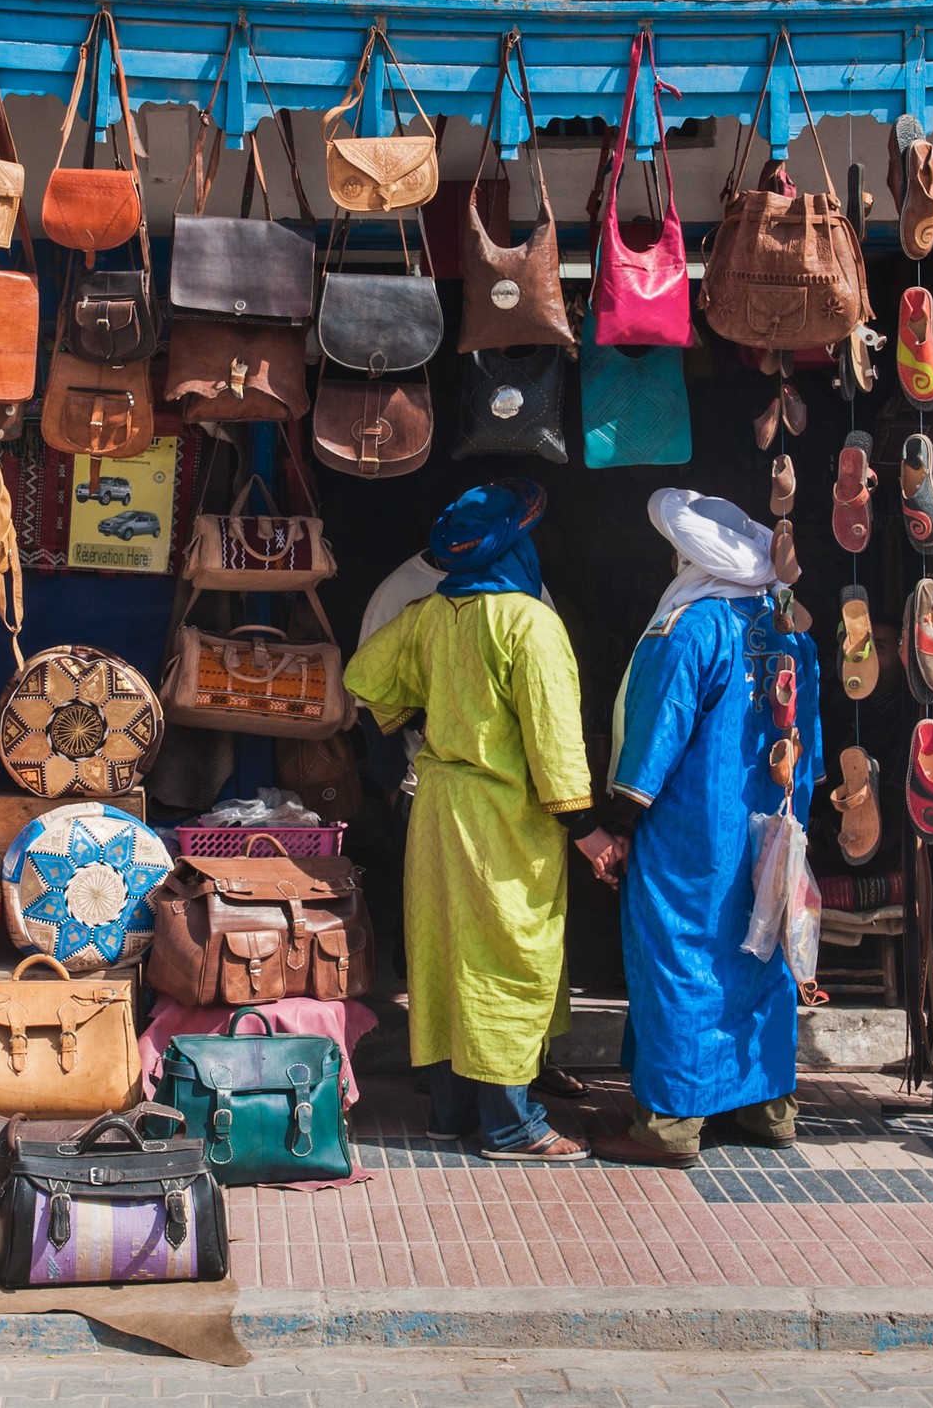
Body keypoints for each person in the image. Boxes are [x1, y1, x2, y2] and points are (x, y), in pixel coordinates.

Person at [345, 477, 593, 1162]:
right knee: (506, 960)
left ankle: (451, 1113)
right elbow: (555, 743)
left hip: (437, 810)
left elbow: (365, 676)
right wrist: (587, 828)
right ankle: (511, 1122)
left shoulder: (431, 614)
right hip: (503, 819)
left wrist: (428, 717)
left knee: (446, 957)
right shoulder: (529, 623)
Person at [576, 488, 820, 1167]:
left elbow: (656, 734)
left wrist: (621, 820)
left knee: (684, 955)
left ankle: (672, 1124)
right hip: (771, 824)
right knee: (760, 951)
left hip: (692, 835)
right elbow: (811, 742)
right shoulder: (789, 626)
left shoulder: (689, 627)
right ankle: (768, 1106)